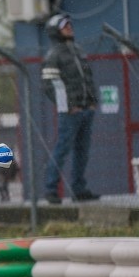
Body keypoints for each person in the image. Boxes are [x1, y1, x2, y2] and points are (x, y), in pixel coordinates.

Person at [40, 13, 99, 204]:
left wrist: (92, 102)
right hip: (71, 112)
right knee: (62, 149)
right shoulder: (54, 55)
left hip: (86, 109)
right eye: (65, 26)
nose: (70, 28)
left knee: (83, 151)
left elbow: (87, 79)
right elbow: (50, 85)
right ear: (56, 31)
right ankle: (51, 190)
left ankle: (79, 189)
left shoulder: (78, 51)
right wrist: (69, 106)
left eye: (70, 25)